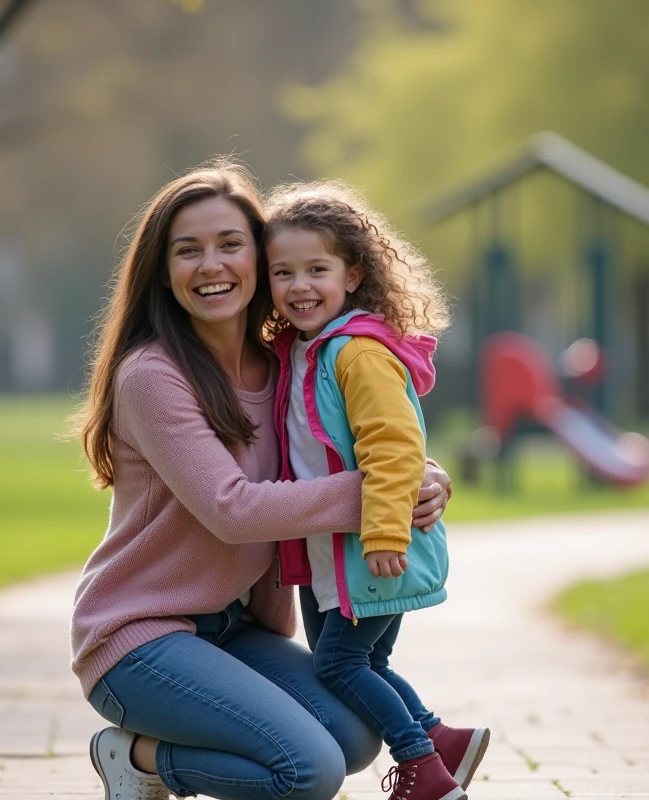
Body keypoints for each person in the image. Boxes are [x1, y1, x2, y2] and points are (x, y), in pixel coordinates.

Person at [70, 160, 452, 800]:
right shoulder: (152, 376)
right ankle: (136, 758)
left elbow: (347, 448)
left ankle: (169, 751)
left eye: (230, 245)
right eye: (187, 251)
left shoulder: (286, 363)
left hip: (233, 630)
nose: (211, 265)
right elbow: (233, 510)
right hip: (140, 638)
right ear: (163, 273)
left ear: (260, 256)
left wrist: (424, 475)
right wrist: (384, 491)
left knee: (356, 739)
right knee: (309, 771)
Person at [263, 182, 490, 800]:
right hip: (334, 550)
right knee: (367, 665)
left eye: (317, 269)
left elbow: (393, 447)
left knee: (338, 664)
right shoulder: (304, 351)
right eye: (283, 272)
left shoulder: (356, 353)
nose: (299, 285)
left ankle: (421, 766)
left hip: (371, 548)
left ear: (354, 274)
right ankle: (442, 740)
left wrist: (386, 532)